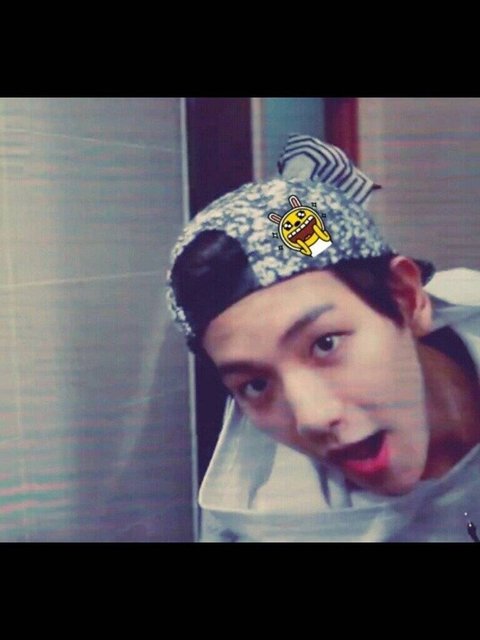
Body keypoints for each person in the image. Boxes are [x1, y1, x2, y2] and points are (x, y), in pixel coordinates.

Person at [166, 134, 480, 542]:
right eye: (256, 384)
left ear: (405, 299)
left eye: (325, 344)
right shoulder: (268, 522)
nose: (312, 417)